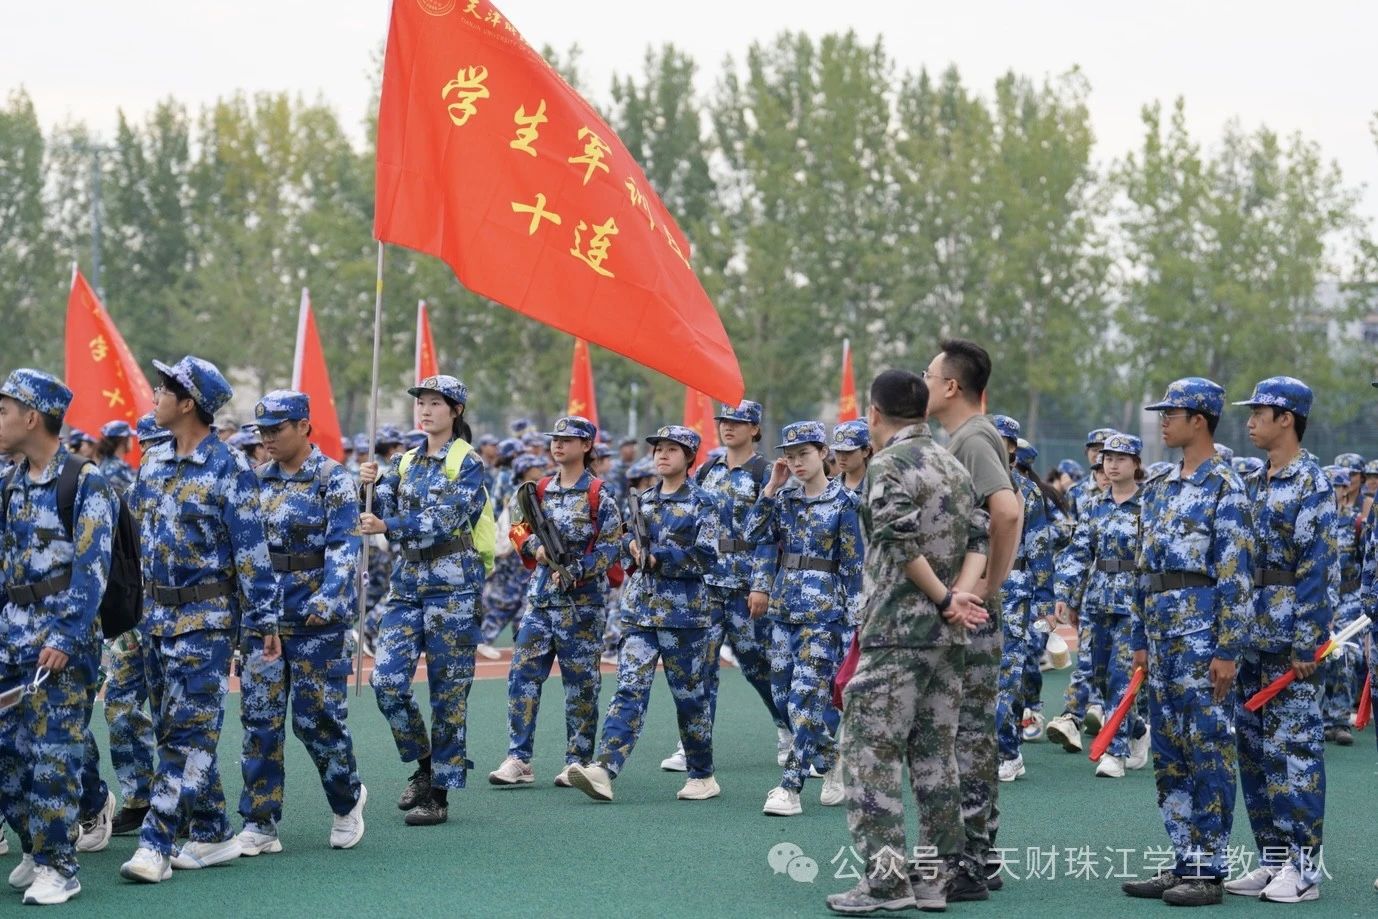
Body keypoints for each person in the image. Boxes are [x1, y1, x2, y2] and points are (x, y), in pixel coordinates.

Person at [825, 369, 990, 916]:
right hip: (946, 637)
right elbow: (980, 537)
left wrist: (944, 598)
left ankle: (886, 881)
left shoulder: (888, 464)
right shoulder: (952, 464)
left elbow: (898, 541)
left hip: (897, 632)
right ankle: (933, 880)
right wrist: (959, 600)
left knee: (868, 753)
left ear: (874, 413)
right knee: (935, 755)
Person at [120, 356, 281, 883]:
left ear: (188, 403)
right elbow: (136, 539)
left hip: (205, 620)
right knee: (174, 728)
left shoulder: (229, 468)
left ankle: (156, 842)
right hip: (155, 618)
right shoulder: (155, 461)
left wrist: (264, 622)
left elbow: (251, 552)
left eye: (164, 390)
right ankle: (212, 830)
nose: (155, 396)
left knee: (188, 735)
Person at [1120, 377, 1251, 907]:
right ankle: (1182, 859)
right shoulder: (1159, 484)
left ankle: (1207, 869)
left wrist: (1228, 649)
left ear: (1200, 420)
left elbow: (1235, 575)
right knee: (1170, 754)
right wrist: (1139, 636)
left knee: (1208, 749)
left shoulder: (1226, 485)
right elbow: (1142, 566)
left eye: (1172, 413)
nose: (1163, 422)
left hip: (1202, 636)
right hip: (1161, 635)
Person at [0, 370, 117, 905]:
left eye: (4, 411)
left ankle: (58, 865)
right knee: (9, 754)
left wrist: (67, 637)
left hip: (61, 644)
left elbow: (93, 571)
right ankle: (34, 845)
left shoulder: (85, 482)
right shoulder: (10, 482)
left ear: (31, 417)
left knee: (52, 755)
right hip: (11, 638)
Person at [235, 390, 366, 856]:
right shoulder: (254, 481)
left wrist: (329, 598)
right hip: (264, 621)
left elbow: (345, 545)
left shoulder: (333, 479)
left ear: (304, 426)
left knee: (317, 722)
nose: (267, 439)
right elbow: (245, 551)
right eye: (262, 431)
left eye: (277, 429)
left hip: (315, 621)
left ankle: (347, 801)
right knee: (260, 722)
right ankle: (260, 821)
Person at [358, 374, 492, 827]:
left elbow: (447, 517)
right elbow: (379, 509)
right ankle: (425, 762)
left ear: (455, 411)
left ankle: (438, 794)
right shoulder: (403, 461)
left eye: (436, 403)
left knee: (448, 693)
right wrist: (366, 486)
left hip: (453, 587)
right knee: (387, 682)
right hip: (408, 584)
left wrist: (390, 526)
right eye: (422, 403)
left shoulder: (467, 462)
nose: (426, 410)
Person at [566, 425, 720, 803]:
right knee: (629, 690)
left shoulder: (704, 502)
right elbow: (622, 542)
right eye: (658, 449)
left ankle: (702, 774)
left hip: (684, 616)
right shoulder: (644, 501)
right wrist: (632, 547)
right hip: (641, 612)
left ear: (689, 457)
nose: (662, 455)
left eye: (672, 449)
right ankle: (604, 768)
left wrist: (659, 557)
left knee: (689, 699)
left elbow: (707, 556)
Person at [1226, 377, 1335, 904]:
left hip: (1290, 643)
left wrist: (1308, 641)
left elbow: (1317, 567)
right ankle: (1273, 861)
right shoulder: (1253, 480)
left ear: (1286, 419)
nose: (1250, 422)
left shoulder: (1312, 482)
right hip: (1251, 638)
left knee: (1295, 754)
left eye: (1259, 413)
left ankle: (1304, 870)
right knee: (1255, 755)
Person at [922, 339, 1022, 899]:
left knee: (966, 734)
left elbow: (1006, 510)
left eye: (929, 374)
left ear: (951, 385)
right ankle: (980, 855)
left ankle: (970, 863)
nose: (924, 382)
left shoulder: (974, 437)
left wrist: (986, 585)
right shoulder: (964, 438)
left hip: (970, 613)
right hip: (965, 607)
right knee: (965, 732)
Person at [489, 416, 622, 788]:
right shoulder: (539, 490)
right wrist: (535, 547)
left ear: (586, 446)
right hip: (541, 601)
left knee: (581, 686)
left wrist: (577, 569)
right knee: (522, 678)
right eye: (555, 439)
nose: (558, 445)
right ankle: (519, 758)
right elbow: (517, 527)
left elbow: (611, 548)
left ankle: (576, 760)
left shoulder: (599, 495)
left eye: (567, 440)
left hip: (582, 605)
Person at [745, 421, 863, 815]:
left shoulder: (845, 503)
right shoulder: (784, 500)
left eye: (804, 454)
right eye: (790, 456)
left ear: (823, 453)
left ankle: (790, 787)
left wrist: (855, 621)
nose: (797, 462)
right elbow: (753, 534)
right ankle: (832, 760)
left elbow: (853, 565)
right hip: (783, 611)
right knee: (782, 700)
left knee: (805, 700)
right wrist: (770, 488)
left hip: (825, 615)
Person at [659, 400, 784, 773]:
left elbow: (771, 535)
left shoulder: (765, 472)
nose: (728, 427)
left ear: (754, 429)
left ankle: (788, 729)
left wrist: (762, 585)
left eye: (737, 422)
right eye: (724, 421)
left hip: (746, 584)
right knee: (700, 666)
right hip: (708, 582)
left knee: (759, 665)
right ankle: (693, 744)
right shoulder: (708, 469)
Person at [1053, 432, 1151, 778]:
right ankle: (1137, 729)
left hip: (1133, 603)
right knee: (1099, 677)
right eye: (1108, 458)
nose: (1112, 465)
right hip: (1097, 600)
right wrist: (1066, 593)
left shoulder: (1149, 505)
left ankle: (1115, 751)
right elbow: (1079, 552)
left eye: (1121, 459)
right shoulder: (1095, 505)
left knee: (1122, 676)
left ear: (1136, 464)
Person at [990, 417, 1055, 786]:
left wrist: (1045, 605)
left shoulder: (1028, 493)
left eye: (999, 441)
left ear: (1013, 448)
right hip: (975, 591)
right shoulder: (967, 487)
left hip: (1014, 592)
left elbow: (1040, 550)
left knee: (1008, 676)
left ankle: (1008, 753)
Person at [1320, 462, 1361, 746]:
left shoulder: (1356, 523)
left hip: (1349, 598)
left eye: (1337, 486)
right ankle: (1321, 719)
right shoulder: (1314, 522)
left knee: (1344, 654)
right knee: (1320, 656)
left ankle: (1339, 720)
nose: (1333, 492)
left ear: (1346, 490)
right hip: (1320, 597)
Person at [94, 421, 136, 496]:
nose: (132, 440)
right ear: (123, 439)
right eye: (130, 436)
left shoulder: (105, 463)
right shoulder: (118, 469)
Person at [831, 420, 872, 497]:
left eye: (848, 451)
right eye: (838, 451)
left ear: (866, 451)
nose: (842, 458)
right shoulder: (830, 489)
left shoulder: (877, 484)